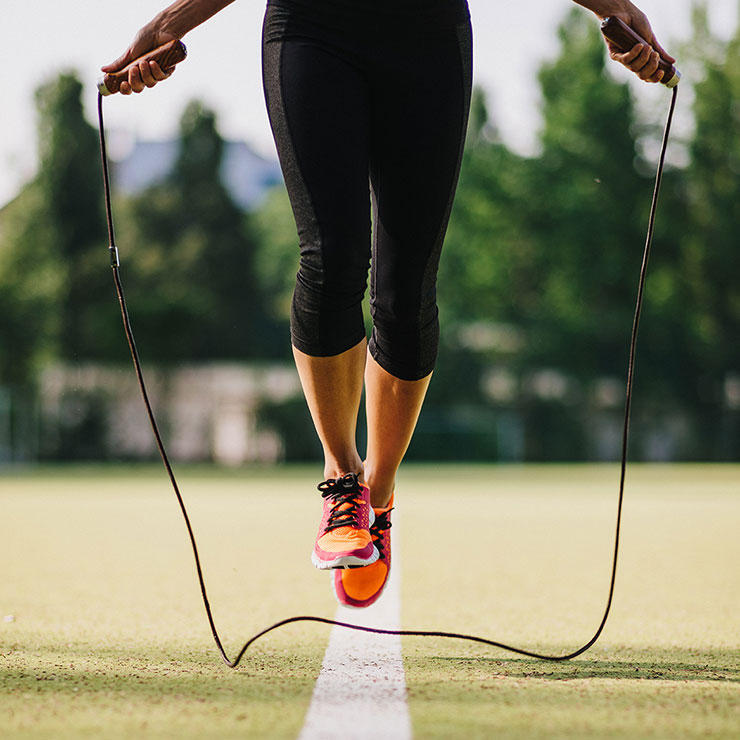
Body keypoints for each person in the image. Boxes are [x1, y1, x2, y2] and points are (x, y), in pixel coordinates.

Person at [103, 0, 674, 609]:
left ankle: (378, 494)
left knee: (405, 292)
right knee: (331, 260)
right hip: (310, 29)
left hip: (428, 39)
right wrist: (170, 25)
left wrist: (614, 8)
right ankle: (342, 481)